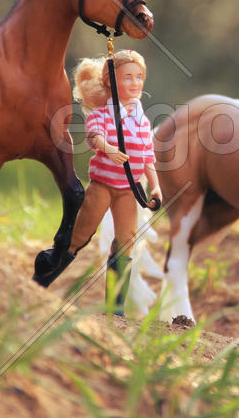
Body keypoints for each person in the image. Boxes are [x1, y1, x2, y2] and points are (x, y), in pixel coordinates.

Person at [33, 50, 162, 316]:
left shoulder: (142, 119)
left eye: (139, 77)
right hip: (103, 186)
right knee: (79, 236)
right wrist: (110, 149)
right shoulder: (102, 114)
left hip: (129, 190)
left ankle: (116, 309)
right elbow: (94, 136)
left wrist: (156, 185)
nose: (135, 83)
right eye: (128, 78)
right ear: (111, 82)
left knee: (126, 241)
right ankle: (42, 280)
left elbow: (148, 156)